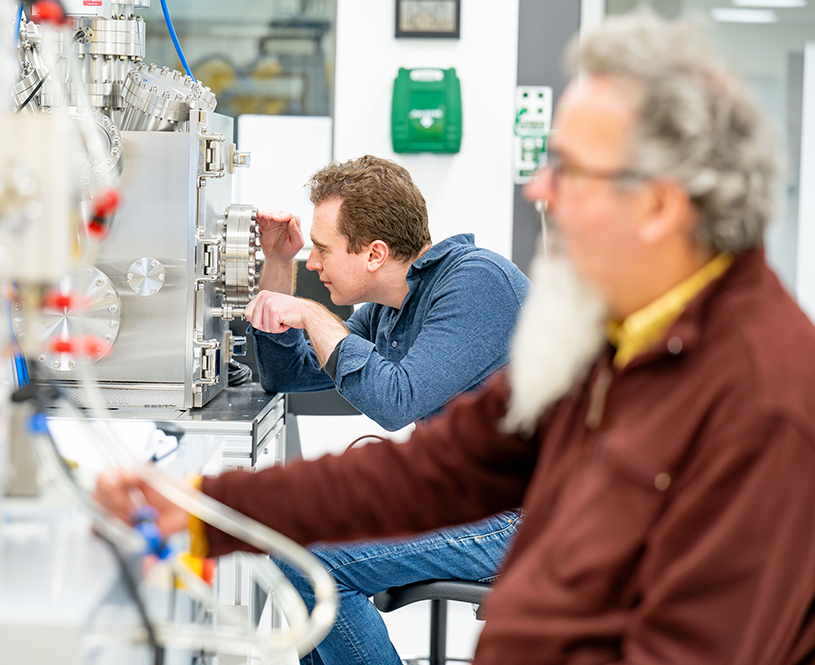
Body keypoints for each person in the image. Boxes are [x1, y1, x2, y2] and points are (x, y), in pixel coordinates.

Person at [97, 14, 815, 664]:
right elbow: (432, 472)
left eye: (570, 171)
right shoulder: (623, 343)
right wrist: (206, 509)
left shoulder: (763, 399)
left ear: (657, 206)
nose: (539, 190)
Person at [244, 155, 530, 665]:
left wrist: (311, 312)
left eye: (322, 250)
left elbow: (397, 400)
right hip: (463, 503)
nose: (315, 263)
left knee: (311, 562)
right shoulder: (391, 308)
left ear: (374, 253)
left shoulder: (477, 282)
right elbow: (288, 374)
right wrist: (278, 264)